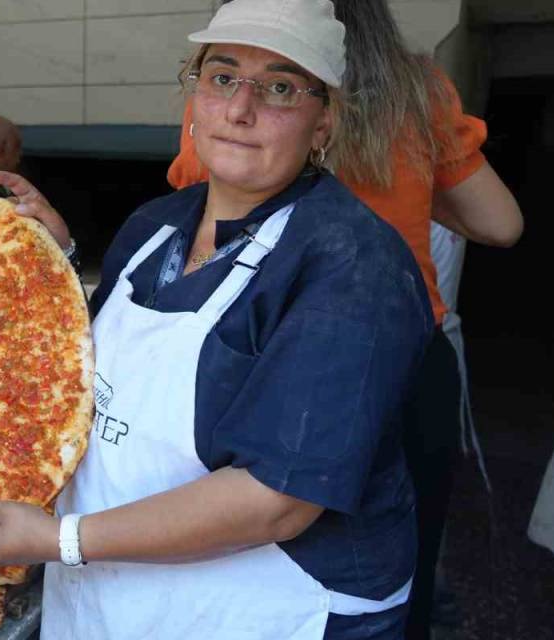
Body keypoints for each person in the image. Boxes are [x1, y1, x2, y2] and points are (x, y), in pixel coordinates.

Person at [0, 1, 432, 638]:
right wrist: (49, 263)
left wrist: (62, 538)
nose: (239, 109)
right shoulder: (154, 225)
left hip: (264, 603)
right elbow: (87, 381)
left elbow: (276, 502)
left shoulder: (355, 266)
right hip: (113, 580)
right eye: (222, 77)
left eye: (280, 87)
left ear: (324, 123)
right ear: (195, 96)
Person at [167, 2, 523, 637]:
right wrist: (405, 192)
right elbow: (500, 223)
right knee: (393, 573)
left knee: (245, 570)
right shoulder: (416, 88)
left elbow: (203, 233)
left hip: (262, 366)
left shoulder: (230, 102)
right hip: (407, 366)